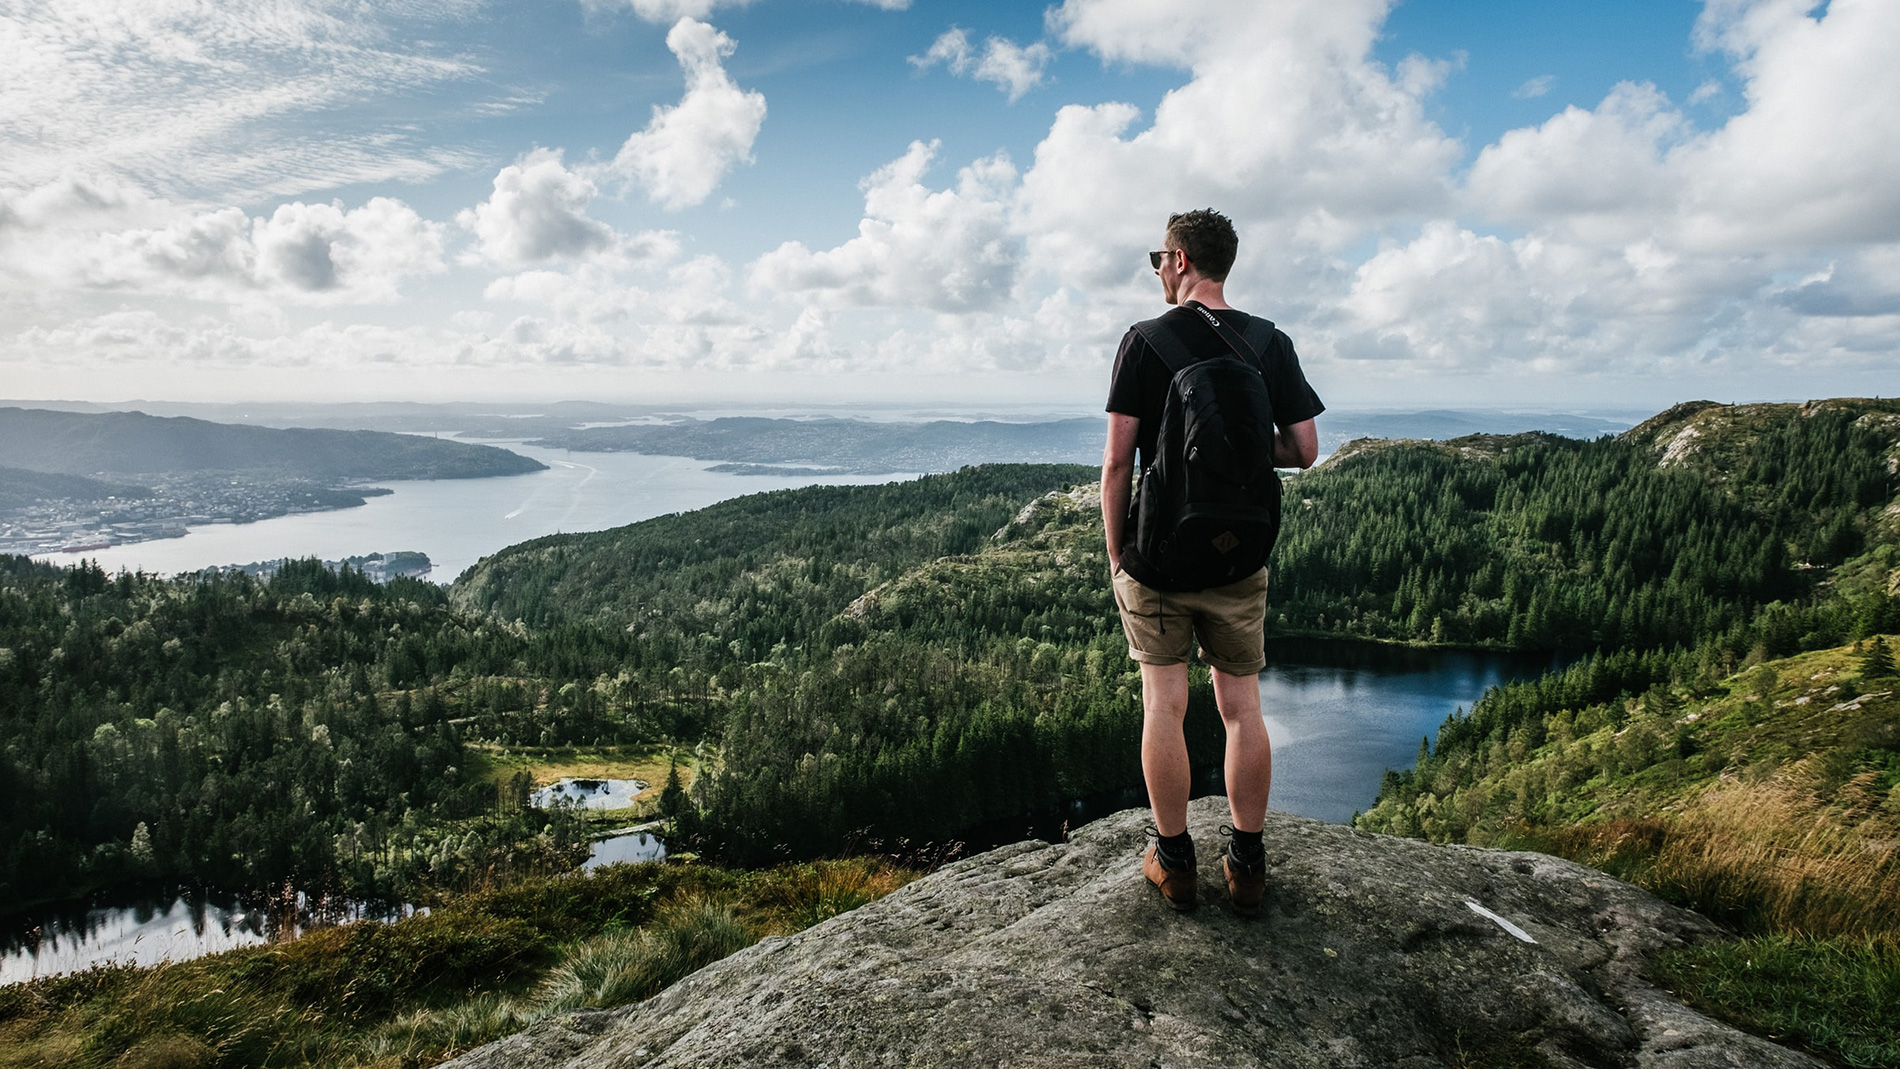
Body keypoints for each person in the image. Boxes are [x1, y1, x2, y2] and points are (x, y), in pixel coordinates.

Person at [1101, 208, 1323, 914]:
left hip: (1160, 561)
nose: (1159, 272)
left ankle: (1174, 860)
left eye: (1158, 260)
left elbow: (1116, 463)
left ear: (1178, 260)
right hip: (1239, 559)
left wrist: (1117, 557)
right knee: (1241, 707)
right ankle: (1248, 863)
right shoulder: (1269, 342)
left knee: (1164, 704)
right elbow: (1304, 449)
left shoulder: (1145, 341)